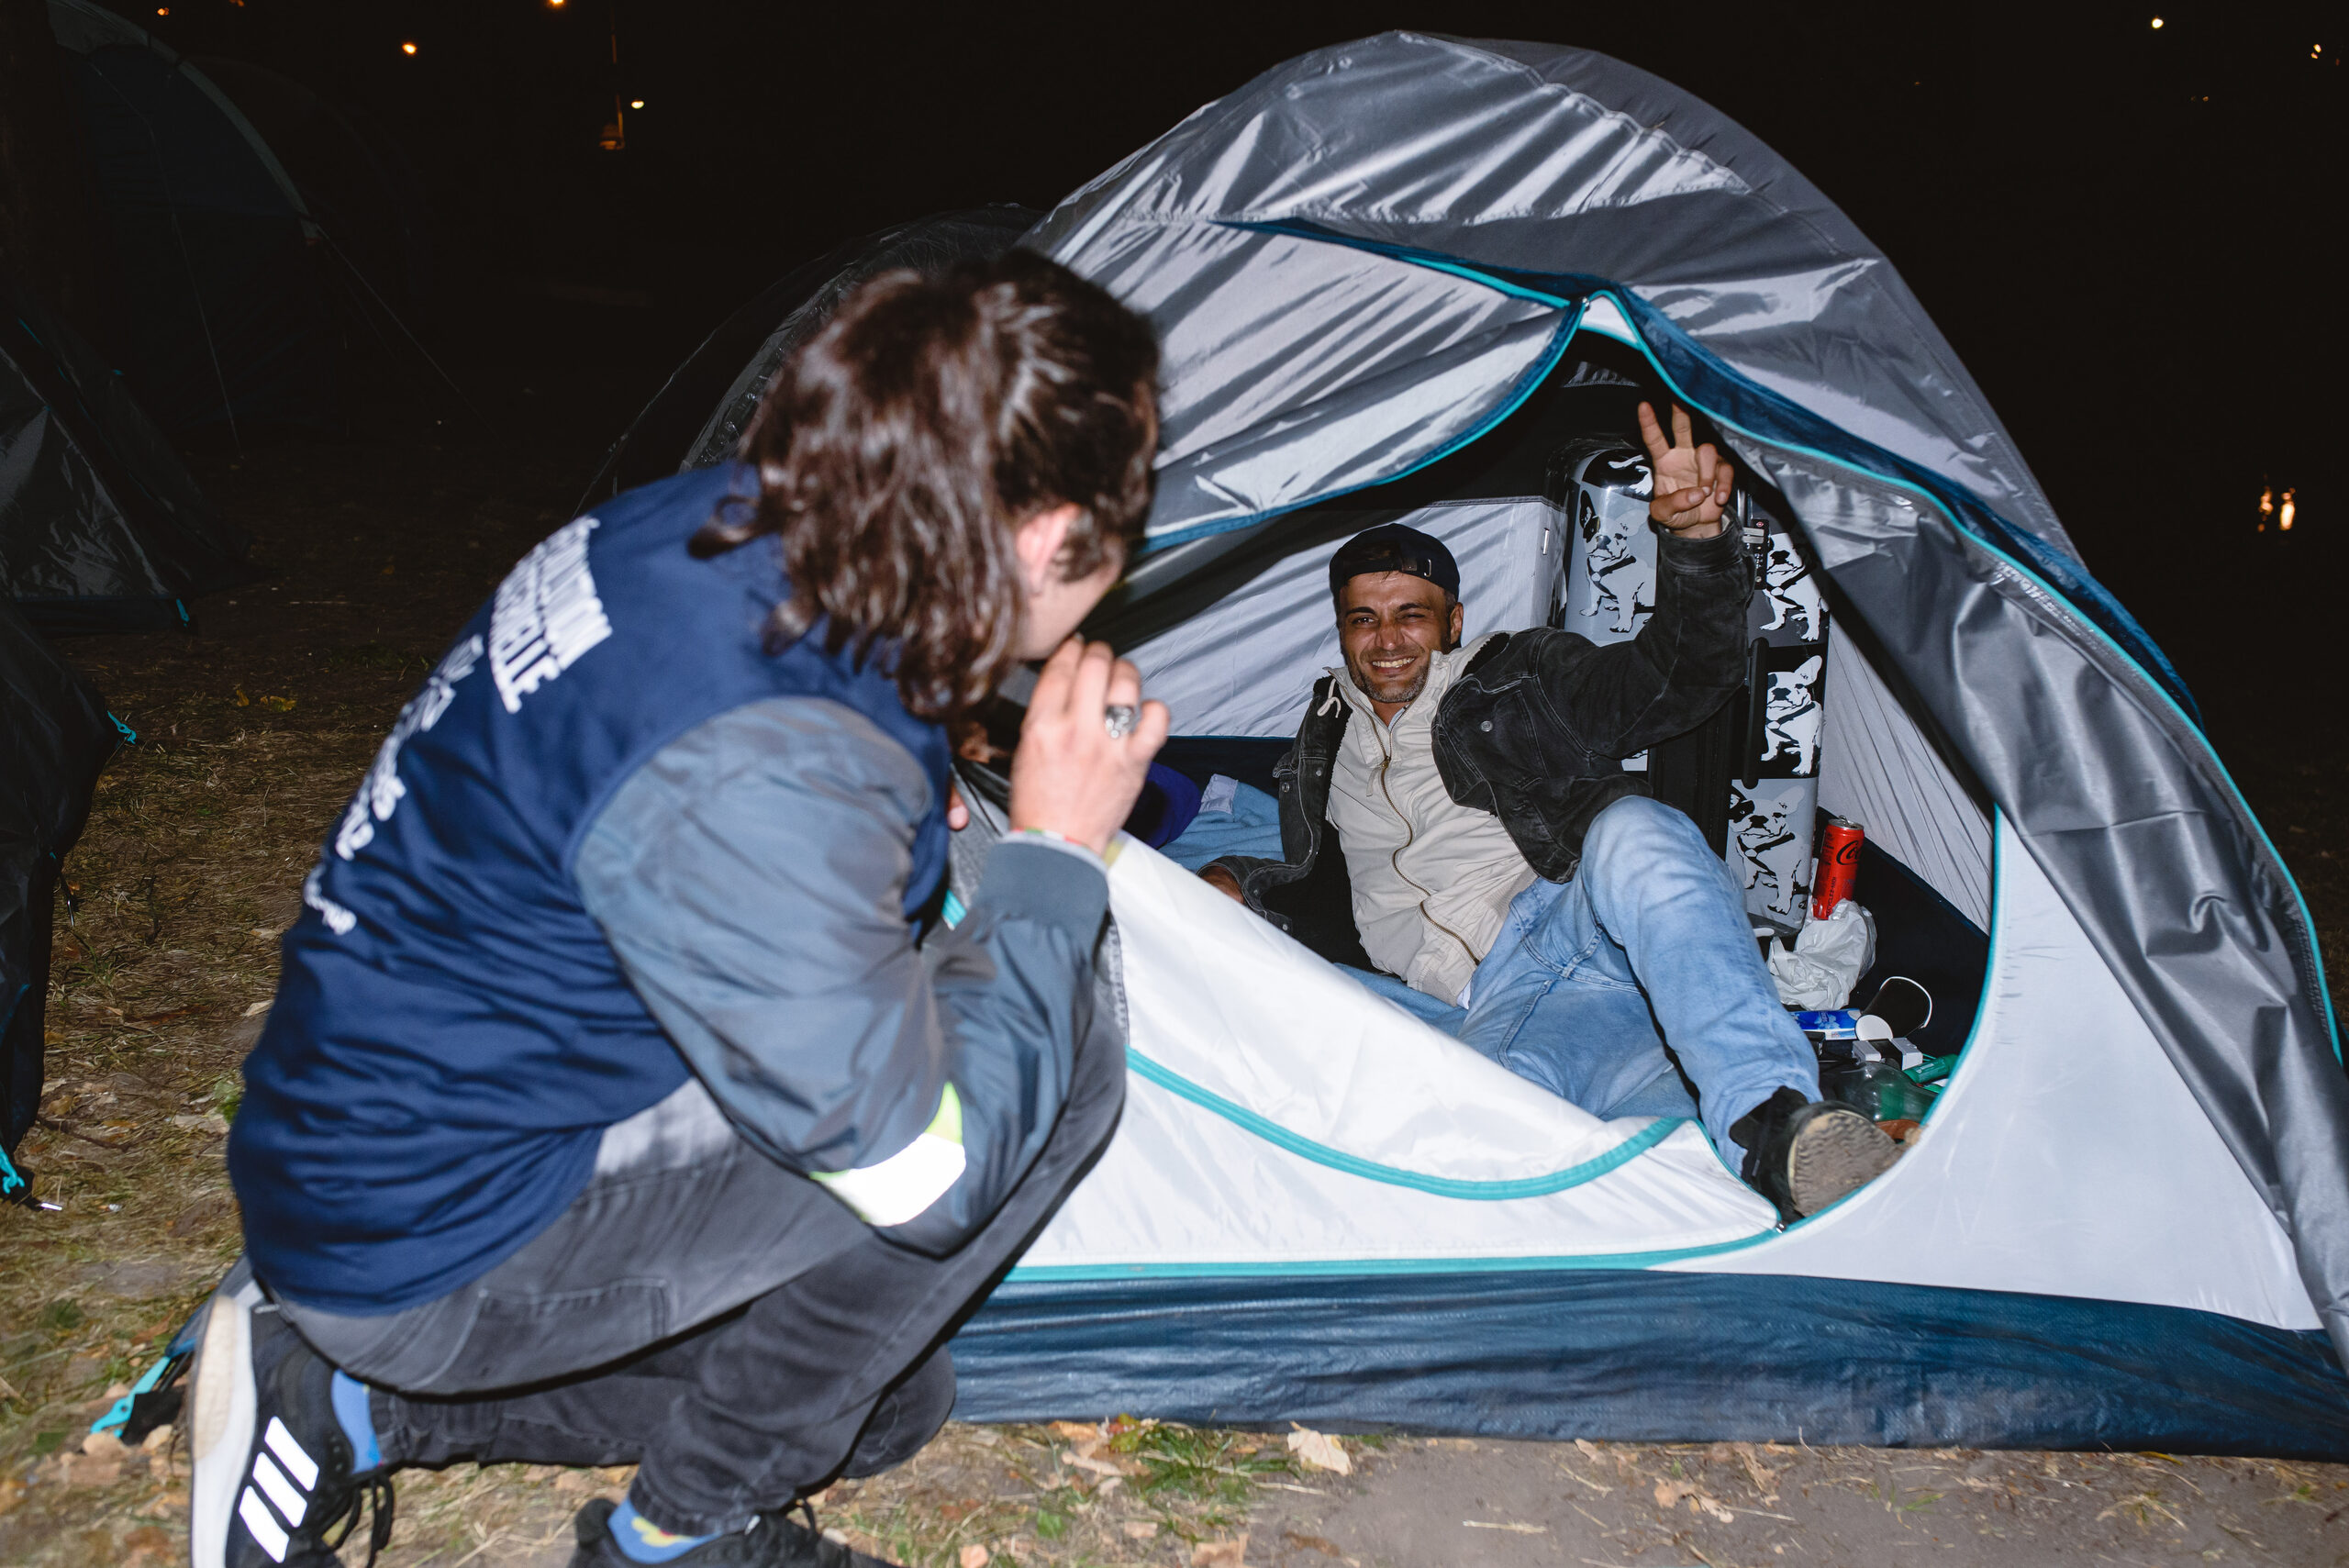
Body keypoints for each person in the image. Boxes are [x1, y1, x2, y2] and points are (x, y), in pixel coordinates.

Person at [187, 252, 1167, 1568]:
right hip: (433, 1230)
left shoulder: (720, 522)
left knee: (883, 1404)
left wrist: (914, 797)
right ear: (1049, 538)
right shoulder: (762, 762)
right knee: (1054, 1062)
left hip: (371, 1139)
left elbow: (772, 775)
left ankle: (345, 1402)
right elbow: (928, 1176)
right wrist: (1053, 848)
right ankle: (680, 1537)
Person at [1200, 402, 1897, 1223]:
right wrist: (1235, 880)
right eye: (1364, 618)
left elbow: (1674, 682)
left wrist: (1698, 549)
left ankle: (1779, 1114)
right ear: (1344, 633)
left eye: (1411, 615)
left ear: (1452, 622)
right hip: (1513, 1000)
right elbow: (1317, 873)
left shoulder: (1513, 677)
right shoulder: (1322, 739)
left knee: (1636, 834)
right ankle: (1797, 1157)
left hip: (1573, 926)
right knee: (1684, 1179)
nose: (1387, 640)